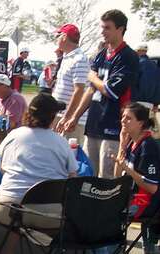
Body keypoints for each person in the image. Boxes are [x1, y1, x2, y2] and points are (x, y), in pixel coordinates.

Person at [0, 93, 78, 254]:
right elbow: (72, 179)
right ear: (52, 118)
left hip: (7, 209)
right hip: (47, 214)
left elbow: (2, 169)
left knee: (19, 217)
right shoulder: (61, 142)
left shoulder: (14, 135)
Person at [64, 9, 139, 178]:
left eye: (107, 28)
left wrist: (92, 76)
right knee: (87, 176)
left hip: (113, 127)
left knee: (106, 181)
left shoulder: (128, 56)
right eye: (102, 27)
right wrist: (74, 117)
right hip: (93, 125)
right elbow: (90, 90)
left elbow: (110, 91)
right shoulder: (101, 55)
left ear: (120, 29)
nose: (102, 32)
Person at [114, 102, 160, 254]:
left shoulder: (148, 146)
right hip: (134, 196)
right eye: (122, 117)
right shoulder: (132, 143)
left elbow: (152, 187)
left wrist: (128, 169)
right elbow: (117, 177)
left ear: (140, 123)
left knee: (109, 213)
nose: (123, 121)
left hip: (148, 202)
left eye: (128, 118)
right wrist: (122, 145)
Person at [52, 24, 90, 145]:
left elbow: (79, 91)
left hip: (72, 120)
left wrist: (67, 117)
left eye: (57, 36)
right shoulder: (67, 58)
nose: (56, 40)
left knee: (69, 157)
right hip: (60, 114)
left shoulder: (79, 59)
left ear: (64, 37)